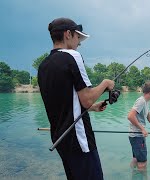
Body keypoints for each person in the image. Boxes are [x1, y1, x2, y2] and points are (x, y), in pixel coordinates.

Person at [38, 17, 114, 180]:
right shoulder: (72, 56)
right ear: (67, 34)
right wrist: (105, 83)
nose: (79, 42)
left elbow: (64, 102)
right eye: (77, 37)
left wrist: (92, 108)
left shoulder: (44, 66)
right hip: (79, 140)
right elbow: (87, 99)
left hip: (60, 139)